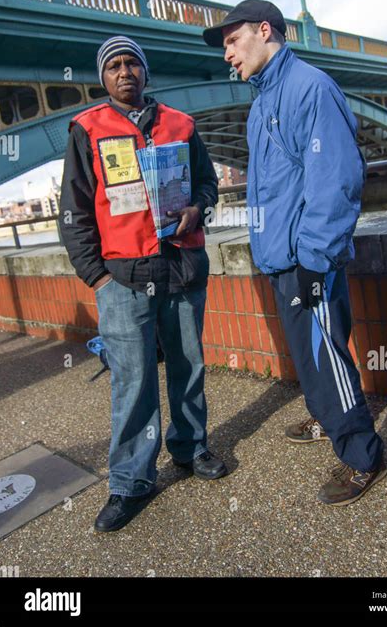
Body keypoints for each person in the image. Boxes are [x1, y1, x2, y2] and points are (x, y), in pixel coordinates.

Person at [203, 1, 387, 506]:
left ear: (265, 31)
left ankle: (361, 454)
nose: (227, 55)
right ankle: (328, 418)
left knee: (327, 352)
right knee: (310, 356)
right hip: (283, 258)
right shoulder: (264, 100)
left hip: (309, 259)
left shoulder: (309, 87)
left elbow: (335, 182)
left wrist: (314, 259)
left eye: (232, 41)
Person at [59, 35, 227, 532]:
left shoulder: (180, 124)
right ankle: (131, 480)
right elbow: (75, 212)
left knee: (188, 366)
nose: (125, 71)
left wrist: (199, 206)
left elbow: (208, 184)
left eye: (133, 63)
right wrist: (98, 277)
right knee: (132, 380)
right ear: (103, 78)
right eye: (114, 66)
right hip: (124, 277)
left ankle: (190, 447)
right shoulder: (86, 129)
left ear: (145, 72)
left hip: (181, 267)